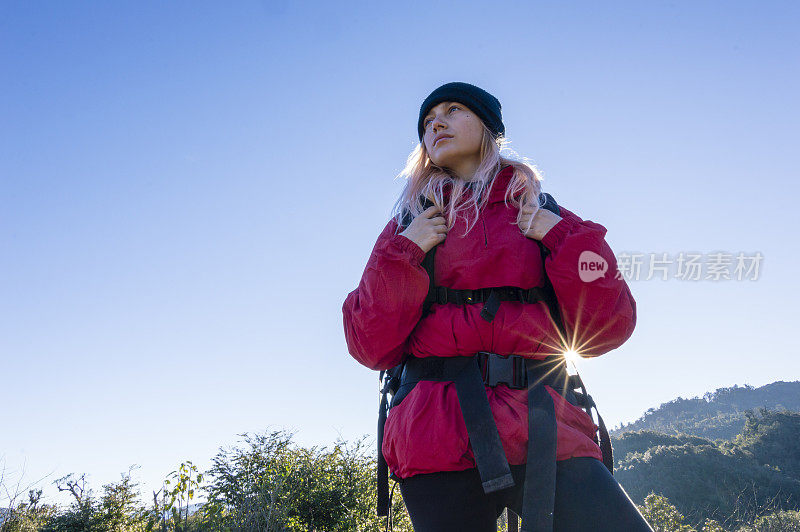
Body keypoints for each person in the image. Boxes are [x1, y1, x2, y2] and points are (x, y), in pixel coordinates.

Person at [342, 81, 653, 532]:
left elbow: (609, 326)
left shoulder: (543, 211)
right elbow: (370, 345)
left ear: (488, 127)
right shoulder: (407, 226)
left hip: (545, 423)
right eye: (428, 122)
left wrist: (560, 237)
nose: (437, 124)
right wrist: (405, 254)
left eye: (452, 110)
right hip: (435, 433)